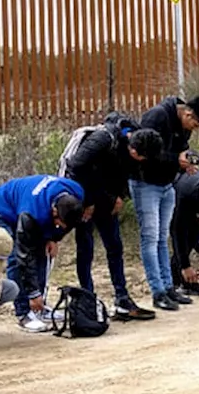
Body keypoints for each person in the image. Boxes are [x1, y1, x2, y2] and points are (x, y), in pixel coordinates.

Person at [62, 116, 163, 321]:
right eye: (142, 158)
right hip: (85, 198)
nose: (142, 162)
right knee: (86, 248)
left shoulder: (137, 141)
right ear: (134, 150)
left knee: (115, 247)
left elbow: (126, 173)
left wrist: (120, 196)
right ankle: (88, 298)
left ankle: (122, 299)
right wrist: (87, 201)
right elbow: (75, 167)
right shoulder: (103, 139)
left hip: (106, 199)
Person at [133, 94, 199, 312]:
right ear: (188, 113)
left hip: (168, 184)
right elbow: (141, 153)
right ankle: (157, 291)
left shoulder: (184, 126)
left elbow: (180, 150)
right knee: (149, 238)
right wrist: (175, 160)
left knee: (161, 238)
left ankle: (168, 287)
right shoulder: (157, 117)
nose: (193, 129)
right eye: (195, 124)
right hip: (146, 183)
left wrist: (186, 163)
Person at [0, 174, 85, 333]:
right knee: (15, 257)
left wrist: (54, 238)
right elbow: (24, 256)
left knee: (43, 252)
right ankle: (23, 313)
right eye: (59, 224)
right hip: (1, 210)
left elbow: (67, 225)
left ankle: (39, 307)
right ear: (54, 211)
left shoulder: (76, 192)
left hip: (26, 205)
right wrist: (33, 293)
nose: (61, 227)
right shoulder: (32, 214)